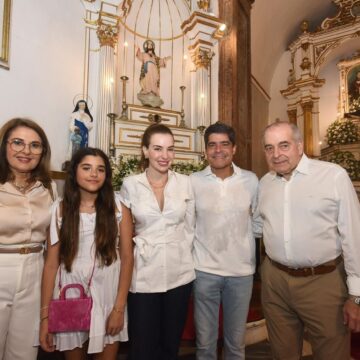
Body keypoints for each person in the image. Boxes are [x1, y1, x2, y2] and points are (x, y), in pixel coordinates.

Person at [258, 120, 360, 360]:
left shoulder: (333, 176)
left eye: (284, 145)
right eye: (269, 148)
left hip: (322, 281)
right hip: (275, 282)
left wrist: (356, 295)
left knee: (332, 354)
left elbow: (354, 236)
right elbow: (258, 225)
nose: (276, 154)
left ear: (300, 146)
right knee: (282, 354)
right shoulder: (264, 184)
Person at [39, 148, 134, 359]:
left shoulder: (119, 209)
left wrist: (118, 309)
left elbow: (127, 259)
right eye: (87, 168)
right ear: (74, 171)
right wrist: (45, 317)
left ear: (106, 175)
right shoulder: (60, 209)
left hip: (108, 298)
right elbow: (51, 265)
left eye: (100, 169)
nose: (94, 174)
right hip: (70, 296)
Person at [120, 123, 195, 360]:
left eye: (170, 149)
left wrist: (184, 255)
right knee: (142, 345)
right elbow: (125, 232)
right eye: (157, 148)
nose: (165, 156)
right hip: (143, 275)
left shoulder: (185, 182)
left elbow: (190, 228)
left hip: (179, 274)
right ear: (145, 151)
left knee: (170, 345)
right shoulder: (130, 184)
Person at [190, 122, 259, 360]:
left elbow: (259, 222)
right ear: (205, 150)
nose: (218, 150)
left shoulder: (251, 181)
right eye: (212, 145)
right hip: (204, 271)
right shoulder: (193, 181)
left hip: (241, 274)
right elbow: (188, 224)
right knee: (204, 344)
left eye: (224, 144)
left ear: (235, 148)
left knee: (236, 345)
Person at [0, 117, 57, 360]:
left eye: (35, 145)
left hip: (36, 270)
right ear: (4, 146)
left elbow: (53, 238)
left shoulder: (49, 187)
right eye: (18, 143)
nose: (26, 151)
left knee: (24, 352)